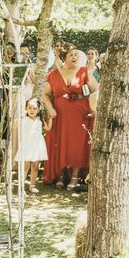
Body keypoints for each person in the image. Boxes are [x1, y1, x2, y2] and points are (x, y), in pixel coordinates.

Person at [42, 43, 98, 189]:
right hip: (59, 114)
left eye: (76, 55)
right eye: (71, 55)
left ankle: (74, 177)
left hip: (80, 112)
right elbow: (45, 94)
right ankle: (60, 175)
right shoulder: (53, 74)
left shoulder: (84, 71)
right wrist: (50, 108)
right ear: (64, 57)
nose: (75, 57)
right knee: (60, 143)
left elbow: (95, 90)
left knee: (77, 144)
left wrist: (92, 107)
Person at [13, 98, 50, 194]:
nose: (32, 110)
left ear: (38, 110)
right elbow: (14, 126)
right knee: (25, 165)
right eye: (29, 108)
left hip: (37, 145)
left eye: (34, 108)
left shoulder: (40, 120)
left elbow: (47, 128)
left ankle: (32, 185)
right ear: (26, 109)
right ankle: (21, 184)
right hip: (27, 144)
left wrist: (50, 119)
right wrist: (20, 116)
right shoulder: (24, 119)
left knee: (35, 166)